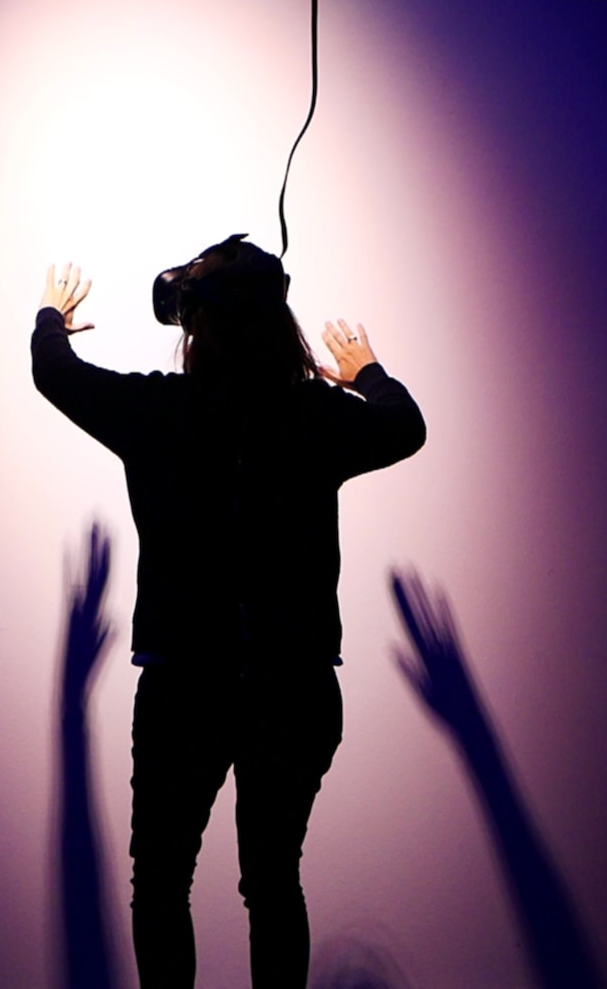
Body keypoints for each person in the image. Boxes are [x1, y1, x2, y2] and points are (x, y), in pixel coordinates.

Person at [31, 235, 426, 989]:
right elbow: (405, 425)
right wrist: (365, 371)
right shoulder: (315, 416)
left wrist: (52, 316)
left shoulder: (158, 410)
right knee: (272, 882)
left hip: (188, 689)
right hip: (295, 689)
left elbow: (55, 374)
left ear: (194, 329)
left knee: (163, 882)